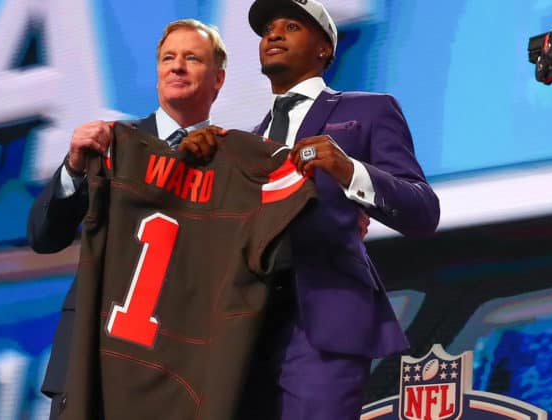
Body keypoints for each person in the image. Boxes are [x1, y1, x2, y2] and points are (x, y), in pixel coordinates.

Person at [184, 1, 440, 418]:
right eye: (268, 29)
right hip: (245, 331)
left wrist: (348, 170)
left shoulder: (368, 110)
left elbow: (423, 210)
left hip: (323, 318)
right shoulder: (243, 145)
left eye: (291, 26)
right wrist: (194, 168)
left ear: (324, 48)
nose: (274, 34)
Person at [26, 18, 227, 417]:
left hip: (174, 374)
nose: (177, 67)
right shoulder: (108, 143)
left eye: (192, 58)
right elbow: (44, 237)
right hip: (88, 361)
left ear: (218, 79)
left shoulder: (231, 162)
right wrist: (74, 169)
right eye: (168, 58)